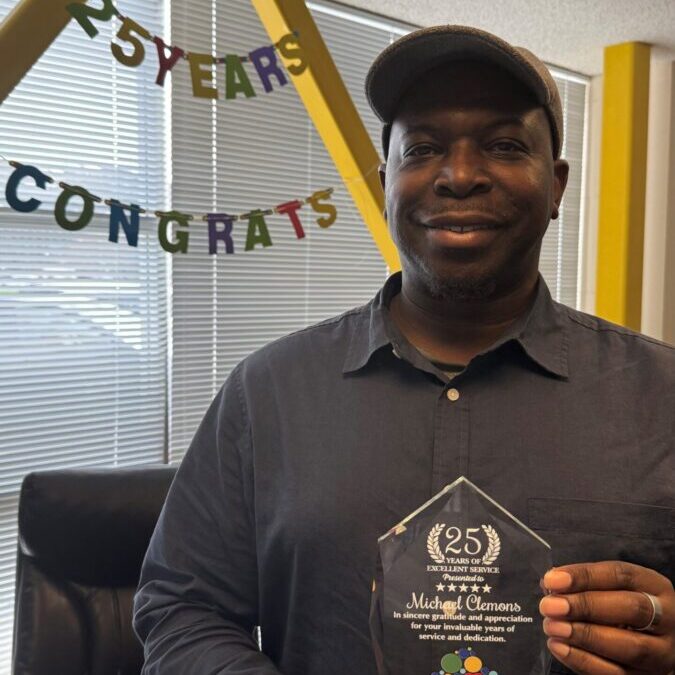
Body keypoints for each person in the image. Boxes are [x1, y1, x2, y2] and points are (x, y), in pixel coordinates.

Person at [133, 25, 675, 675]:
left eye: (504, 145)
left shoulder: (660, 397)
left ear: (555, 185)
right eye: (422, 148)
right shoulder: (268, 392)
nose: (461, 176)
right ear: (385, 181)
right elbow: (181, 608)